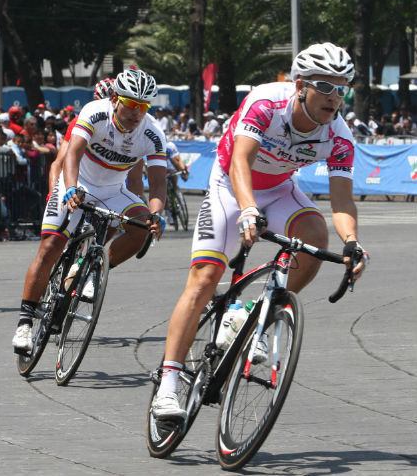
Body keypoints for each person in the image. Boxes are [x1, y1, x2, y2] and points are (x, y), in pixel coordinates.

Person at [150, 42, 369, 420]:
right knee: (204, 279)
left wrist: (352, 243)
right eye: (326, 86)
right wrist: (247, 208)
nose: (335, 97)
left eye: (342, 88)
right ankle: (168, 385)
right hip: (231, 185)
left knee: (317, 238)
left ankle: (254, 313)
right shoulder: (266, 102)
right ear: (301, 84)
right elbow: (240, 160)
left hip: (281, 190)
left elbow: (342, 201)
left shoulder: (340, 137)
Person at [12, 67, 168, 353]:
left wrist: (156, 213)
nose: (136, 113)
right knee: (50, 247)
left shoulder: (153, 133)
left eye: (143, 106)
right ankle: (25, 322)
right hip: (78, 181)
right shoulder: (95, 112)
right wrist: (70, 187)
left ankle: (96, 268)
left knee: (142, 227)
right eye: (131, 104)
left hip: (113, 191)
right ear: (116, 100)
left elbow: (158, 183)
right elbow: (72, 153)